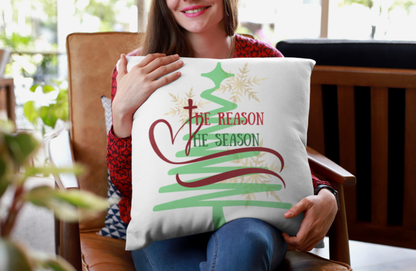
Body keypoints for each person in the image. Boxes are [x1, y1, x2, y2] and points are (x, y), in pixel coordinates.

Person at [107, 0, 338, 270]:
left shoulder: (267, 62)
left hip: (250, 222)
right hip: (165, 226)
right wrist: (122, 112)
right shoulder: (140, 70)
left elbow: (281, 154)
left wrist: (324, 192)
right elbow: (125, 185)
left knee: (246, 243)